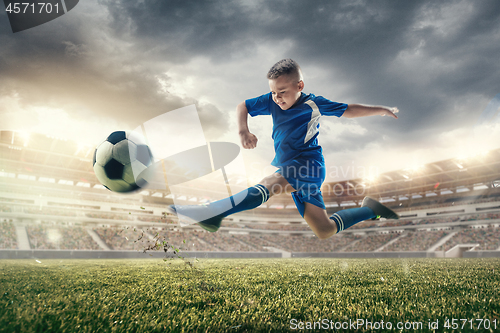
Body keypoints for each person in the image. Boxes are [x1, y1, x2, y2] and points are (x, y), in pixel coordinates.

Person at [167, 58, 399, 239]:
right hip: (293, 166)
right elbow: (243, 106)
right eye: (274, 92)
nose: (277, 98)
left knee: (271, 183)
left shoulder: (313, 104)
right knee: (325, 229)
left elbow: (347, 110)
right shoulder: (271, 99)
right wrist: (242, 131)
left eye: (283, 92)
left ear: (299, 85)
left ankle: (212, 212)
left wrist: (381, 109)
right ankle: (370, 209)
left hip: (308, 164)